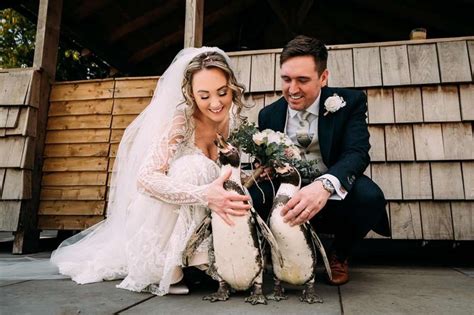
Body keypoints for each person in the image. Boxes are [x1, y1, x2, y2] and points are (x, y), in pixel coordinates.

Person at [0, 47, 250, 296]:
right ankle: (167, 267)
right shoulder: (181, 121)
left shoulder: (234, 120)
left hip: (211, 216)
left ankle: (203, 259)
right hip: (162, 213)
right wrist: (204, 193)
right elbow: (146, 178)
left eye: (222, 92)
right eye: (204, 96)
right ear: (191, 95)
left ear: (232, 88)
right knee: (191, 167)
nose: (216, 103)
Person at [249, 35, 391, 285]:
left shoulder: (349, 103)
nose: (292, 90)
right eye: (286, 79)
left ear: (323, 78)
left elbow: (357, 152)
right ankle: (274, 251)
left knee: (370, 197)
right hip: (287, 193)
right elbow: (265, 161)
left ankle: (340, 253)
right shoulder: (268, 114)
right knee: (250, 196)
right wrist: (266, 169)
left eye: (302, 80)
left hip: (333, 195)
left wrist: (325, 185)